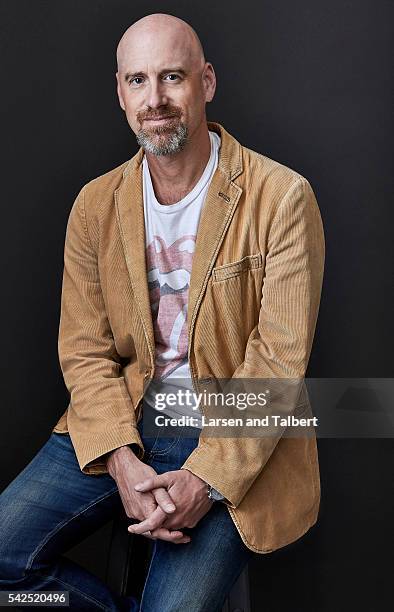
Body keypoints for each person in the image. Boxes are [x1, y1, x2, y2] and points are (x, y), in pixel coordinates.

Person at [0, 12, 325, 612]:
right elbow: (84, 350)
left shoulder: (281, 196)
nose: (156, 100)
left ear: (207, 82)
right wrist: (120, 459)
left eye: (172, 77)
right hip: (121, 423)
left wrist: (205, 479)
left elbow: (277, 365)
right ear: (120, 92)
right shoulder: (94, 206)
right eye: (139, 80)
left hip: (228, 436)